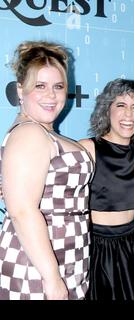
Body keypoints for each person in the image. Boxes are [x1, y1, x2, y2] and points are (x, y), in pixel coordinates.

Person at [0, 41, 94, 300]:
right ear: (21, 90)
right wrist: (52, 277)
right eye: (39, 86)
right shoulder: (29, 133)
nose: (51, 95)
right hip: (36, 264)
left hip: (65, 257)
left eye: (58, 86)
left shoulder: (44, 133)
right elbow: (21, 211)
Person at [78, 79, 134, 300]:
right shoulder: (88, 147)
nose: (128, 115)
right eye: (121, 105)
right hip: (96, 248)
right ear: (107, 110)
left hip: (133, 245)